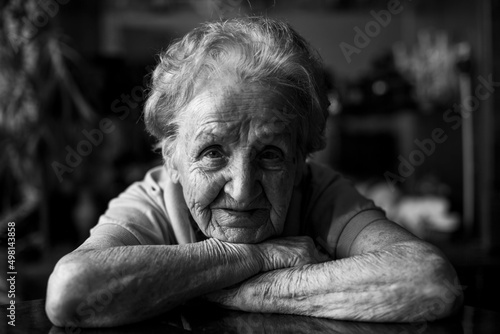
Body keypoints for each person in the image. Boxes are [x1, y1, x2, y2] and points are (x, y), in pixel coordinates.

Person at [45, 16, 463, 327]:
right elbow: (71, 293)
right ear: (171, 156)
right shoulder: (153, 200)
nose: (243, 191)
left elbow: (429, 282)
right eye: (212, 152)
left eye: (270, 155)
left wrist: (252, 289)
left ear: (301, 160)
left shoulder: (318, 190)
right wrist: (257, 256)